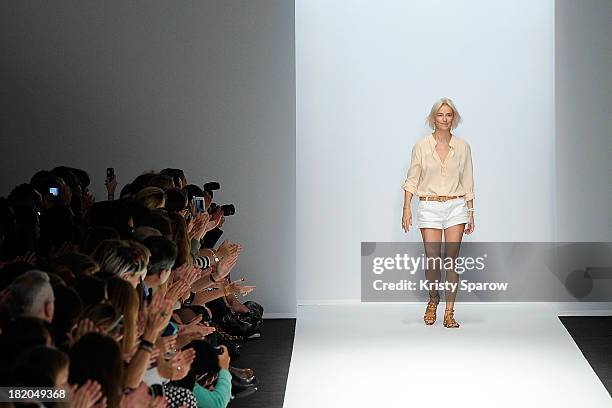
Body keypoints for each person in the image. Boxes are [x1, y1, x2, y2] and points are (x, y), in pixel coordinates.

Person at [401, 97, 476, 328]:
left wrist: (471, 211)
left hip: (455, 206)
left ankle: (450, 312)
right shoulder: (422, 146)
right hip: (429, 206)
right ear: (433, 118)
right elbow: (412, 179)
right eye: (440, 114)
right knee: (433, 261)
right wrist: (406, 208)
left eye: (449, 115)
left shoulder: (463, 147)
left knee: (452, 262)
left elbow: (468, 180)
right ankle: (433, 299)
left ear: (454, 118)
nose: (445, 119)